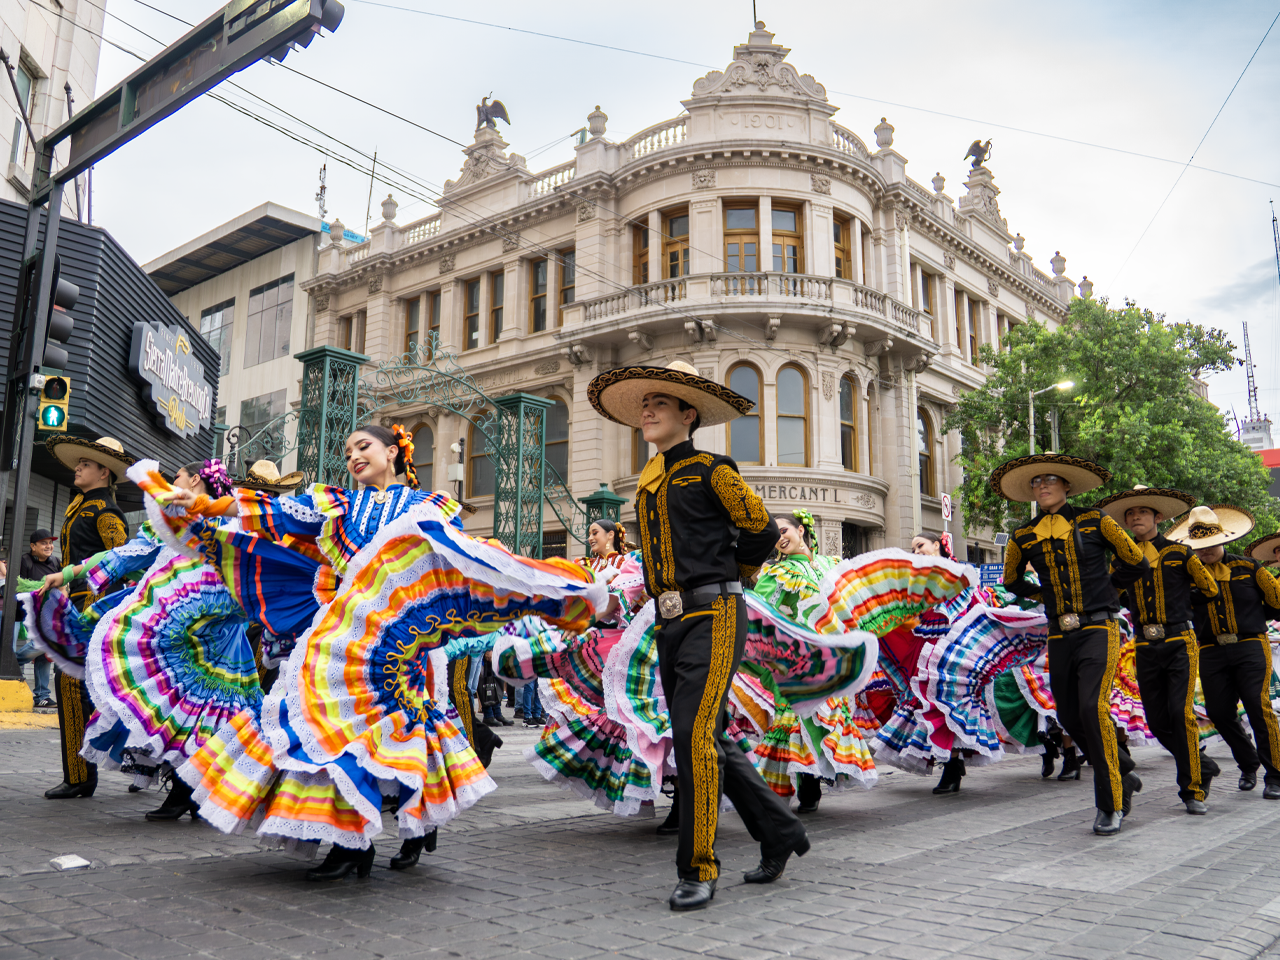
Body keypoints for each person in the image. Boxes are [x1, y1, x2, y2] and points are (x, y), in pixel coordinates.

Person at [152, 424, 605, 880]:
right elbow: (275, 511)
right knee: (332, 731)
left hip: (406, 647)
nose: (353, 456)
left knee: (407, 732)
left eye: (363, 446)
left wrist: (522, 580)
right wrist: (209, 504)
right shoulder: (339, 505)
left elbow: (457, 560)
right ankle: (351, 842)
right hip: (343, 642)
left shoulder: (429, 506)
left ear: (393, 452)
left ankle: (413, 828)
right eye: (347, 451)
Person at [588, 359, 806, 912]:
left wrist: (733, 573)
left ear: (688, 413)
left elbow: (759, 528)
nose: (647, 411)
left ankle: (699, 866)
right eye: (645, 404)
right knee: (705, 735)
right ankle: (779, 831)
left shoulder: (713, 469)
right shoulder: (649, 481)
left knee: (692, 736)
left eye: (659, 403)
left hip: (715, 614)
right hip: (668, 622)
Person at [994, 453, 1148, 835]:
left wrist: (1109, 589)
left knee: (1092, 708)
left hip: (1100, 628)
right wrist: (1043, 596)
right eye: (1036, 481)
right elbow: (1010, 581)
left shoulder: (1096, 520)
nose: (1042, 485)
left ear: (1067, 486)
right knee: (1067, 714)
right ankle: (1122, 767)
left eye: (1051, 479)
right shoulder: (1022, 536)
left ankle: (1111, 803)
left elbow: (1135, 561)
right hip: (1059, 633)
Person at [1095, 485, 1218, 814]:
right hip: (1144, 645)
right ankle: (1202, 765)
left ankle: (1192, 789)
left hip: (1180, 642)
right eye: (1131, 514)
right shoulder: (1122, 557)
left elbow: (1209, 588)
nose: (1136, 517)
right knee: (1157, 720)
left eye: (1143, 513)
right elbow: (1111, 593)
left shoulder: (1181, 553)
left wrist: (1179, 607)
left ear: (1158, 517)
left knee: (1181, 713)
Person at [42, 436, 136, 800]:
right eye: (78, 462)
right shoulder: (80, 506)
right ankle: (80, 772)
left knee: (72, 684)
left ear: (103, 471)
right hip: (77, 606)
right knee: (70, 685)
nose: (78, 467)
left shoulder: (106, 513)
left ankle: (83, 774)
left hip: (94, 610)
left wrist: (99, 609)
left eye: (85, 463)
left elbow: (122, 564)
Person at [1169, 505, 1280, 799]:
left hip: (1251, 645)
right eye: (1199, 546)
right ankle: (1248, 762)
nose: (1205, 551)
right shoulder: (1186, 577)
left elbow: (1276, 603)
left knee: (1259, 708)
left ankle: (1276, 775)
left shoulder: (1250, 568)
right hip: (1209, 649)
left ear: (1223, 538)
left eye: (1210, 544)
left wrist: (1254, 620)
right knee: (1219, 713)